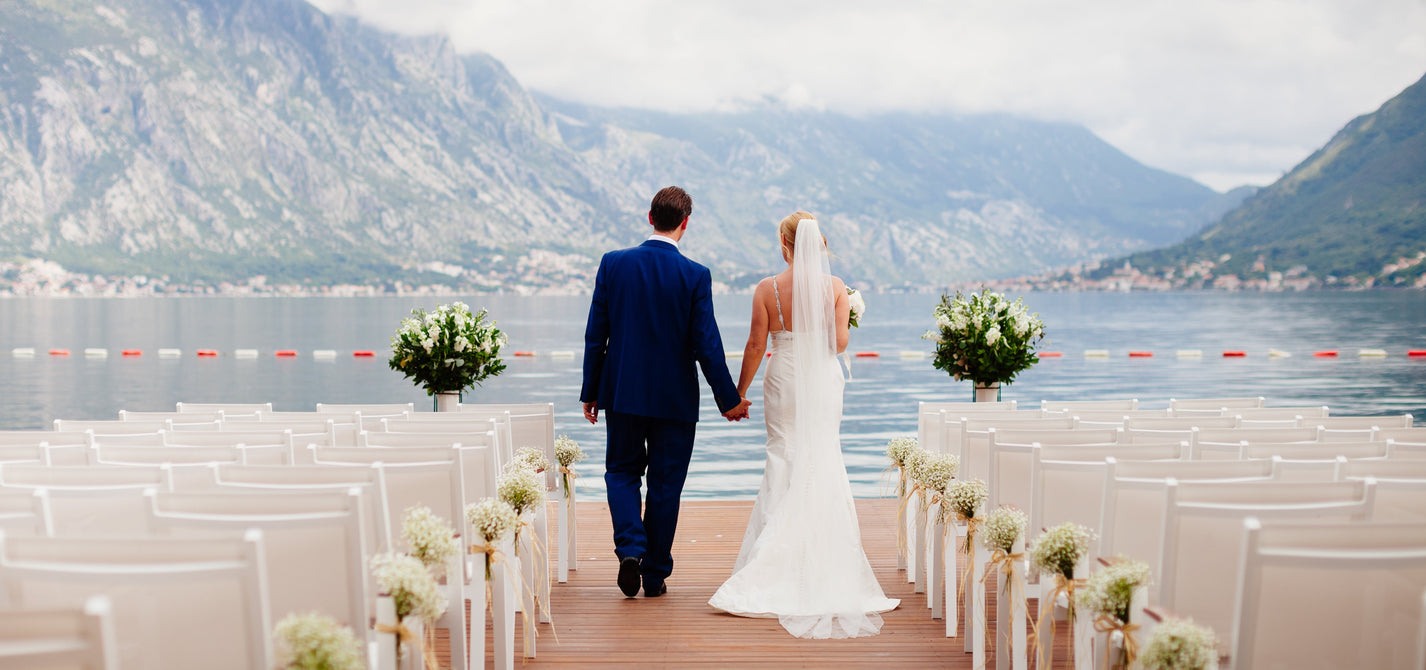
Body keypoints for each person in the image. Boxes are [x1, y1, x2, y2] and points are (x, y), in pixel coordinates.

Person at [707, 211, 899, 638]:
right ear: (821, 244)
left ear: (785, 243)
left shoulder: (766, 289)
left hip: (783, 377)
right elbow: (840, 342)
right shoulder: (835, 288)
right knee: (823, 456)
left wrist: (737, 394)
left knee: (783, 455)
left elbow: (757, 344)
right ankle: (822, 563)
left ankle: (771, 562)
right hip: (822, 379)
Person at [581, 186, 752, 599]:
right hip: (675, 399)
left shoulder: (613, 264)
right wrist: (729, 400)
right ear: (685, 224)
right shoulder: (695, 274)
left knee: (621, 473)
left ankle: (630, 550)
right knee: (665, 484)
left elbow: (595, 335)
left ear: (649, 217)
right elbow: (706, 344)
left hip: (621, 392)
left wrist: (592, 389)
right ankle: (654, 573)